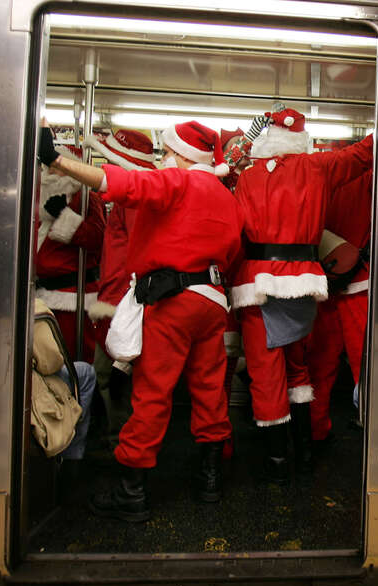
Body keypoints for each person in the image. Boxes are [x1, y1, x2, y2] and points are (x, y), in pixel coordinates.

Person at [37, 119, 242, 520]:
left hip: (172, 300)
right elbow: (234, 250)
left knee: (152, 392)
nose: (164, 159)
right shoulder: (224, 196)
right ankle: (210, 480)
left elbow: (123, 184)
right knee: (209, 388)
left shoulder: (177, 182)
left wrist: (56, 160)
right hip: (213, 300)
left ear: (183, 156)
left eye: (168, 152)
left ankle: (132, 492)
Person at [229, 107, 373, 482]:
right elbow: (364, 154)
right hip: (304, 283)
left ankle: (277, 465)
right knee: (298, 368)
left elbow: (225, 187)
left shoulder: (246, 176)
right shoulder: (319, 167)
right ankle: (305, 455)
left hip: (257, 283)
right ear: (300, 139)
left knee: (265, 374)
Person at [82, 129, 157, 452]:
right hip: (116, 298)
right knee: (110, 376)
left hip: (124, 302)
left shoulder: (135, 202)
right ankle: (121, 443)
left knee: (114, 377)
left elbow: (138, 256)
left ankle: (122, 448)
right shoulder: (128, 200)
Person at [307, 169, 372, 445]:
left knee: (320, 362)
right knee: (365, 362)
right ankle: (371, 427)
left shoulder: (316, 174)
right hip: (360, 280)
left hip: (323, 279)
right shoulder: (370, 174)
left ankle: (315, 428)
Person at [34, 144, 105, 362]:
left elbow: (97, 238)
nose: (50, 173)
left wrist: (65, 216)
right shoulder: (37, 201)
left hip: (73, 296)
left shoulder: (87, 199)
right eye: (50, 168)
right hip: (42, 294)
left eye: (57, 168)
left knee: (71, 355)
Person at [31, 298, 95, 497]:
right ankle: (71, 459)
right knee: (85, 373)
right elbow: (50, 362)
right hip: (28, 386)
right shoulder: (32, 307)